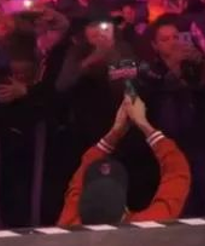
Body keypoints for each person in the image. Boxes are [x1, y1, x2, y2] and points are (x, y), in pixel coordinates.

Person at [57, 95, 191, 226]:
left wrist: (115, 132)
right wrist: (144, 124)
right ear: (125, 211)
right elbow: (177, 173)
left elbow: (77, 183)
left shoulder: (69, 224)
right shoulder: (145, 230)